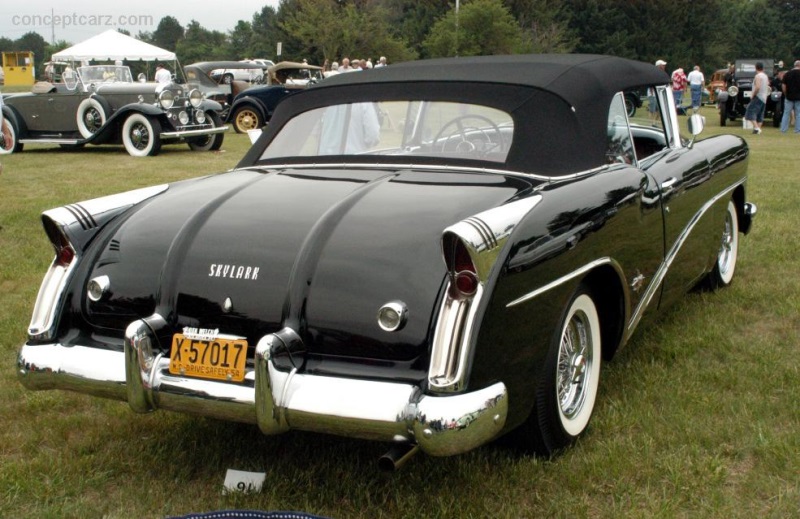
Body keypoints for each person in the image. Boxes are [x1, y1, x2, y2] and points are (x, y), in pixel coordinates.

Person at [745, 61, 770, 134]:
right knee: (760, 113)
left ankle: (756, 128)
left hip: (758, 96)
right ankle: (758, 128)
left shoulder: (758, 76)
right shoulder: (765, 76)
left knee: (750, 111)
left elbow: (758, 87)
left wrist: (753, 95)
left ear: (756, 67)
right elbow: (767, 84)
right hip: (764, 97)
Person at [780, 59, 800, 133]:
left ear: (794, 65)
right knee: (798, 114)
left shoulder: (787, 74)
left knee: (786, 113)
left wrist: (786, 94)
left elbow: (783, 86)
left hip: (789, 97)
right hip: (799, 97)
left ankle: (783, 130)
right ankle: (798, 130)